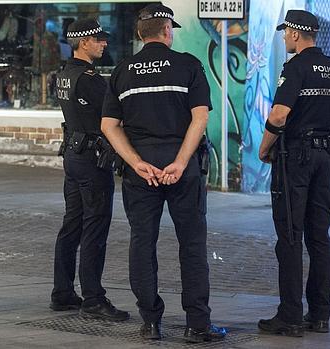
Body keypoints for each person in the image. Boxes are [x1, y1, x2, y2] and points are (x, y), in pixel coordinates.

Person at [101, 3, 226, 343]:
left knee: (143, 243)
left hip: (141, 169)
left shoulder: (123, 70)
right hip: (181, 166)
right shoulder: (188, 65)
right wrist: (182, 162)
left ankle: (151, 322)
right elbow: (200, 119)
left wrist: (135, 162)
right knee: (192, 245)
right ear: (168, 31)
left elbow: (109, 125)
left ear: (141, 34)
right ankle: (197, 325)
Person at [258, 10, 330, 337]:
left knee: (291, 236)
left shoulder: (295, 68)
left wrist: (264, 147)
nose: (284, 38)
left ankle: (290, 316)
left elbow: (279, 115)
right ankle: (320, 314)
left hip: (297, 158)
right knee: (319, 237)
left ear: (295, 34)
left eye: (286, 33)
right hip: (326, 158)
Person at [51, 18, 129, 322]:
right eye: (99, 39)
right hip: (92, 160)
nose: (104, 43)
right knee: (95, 227)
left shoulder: (63, 75)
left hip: (72, 154)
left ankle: (63, 292)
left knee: (72, 224)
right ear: (84, 43)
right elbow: (113, 116)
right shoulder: (91, 79)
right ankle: (94, 298)